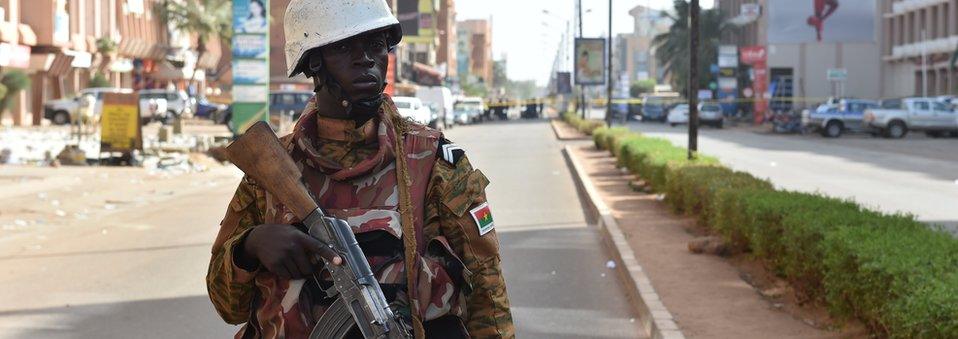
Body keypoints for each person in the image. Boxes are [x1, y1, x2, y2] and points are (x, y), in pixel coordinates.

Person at [206, 0, 514, 338]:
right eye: (344, 47)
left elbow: (488, 296)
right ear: (313, 62)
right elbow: (228, 307)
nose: (366, 58)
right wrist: (249, 247)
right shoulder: (270, 170)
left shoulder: (435, 164)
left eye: (376, 45)